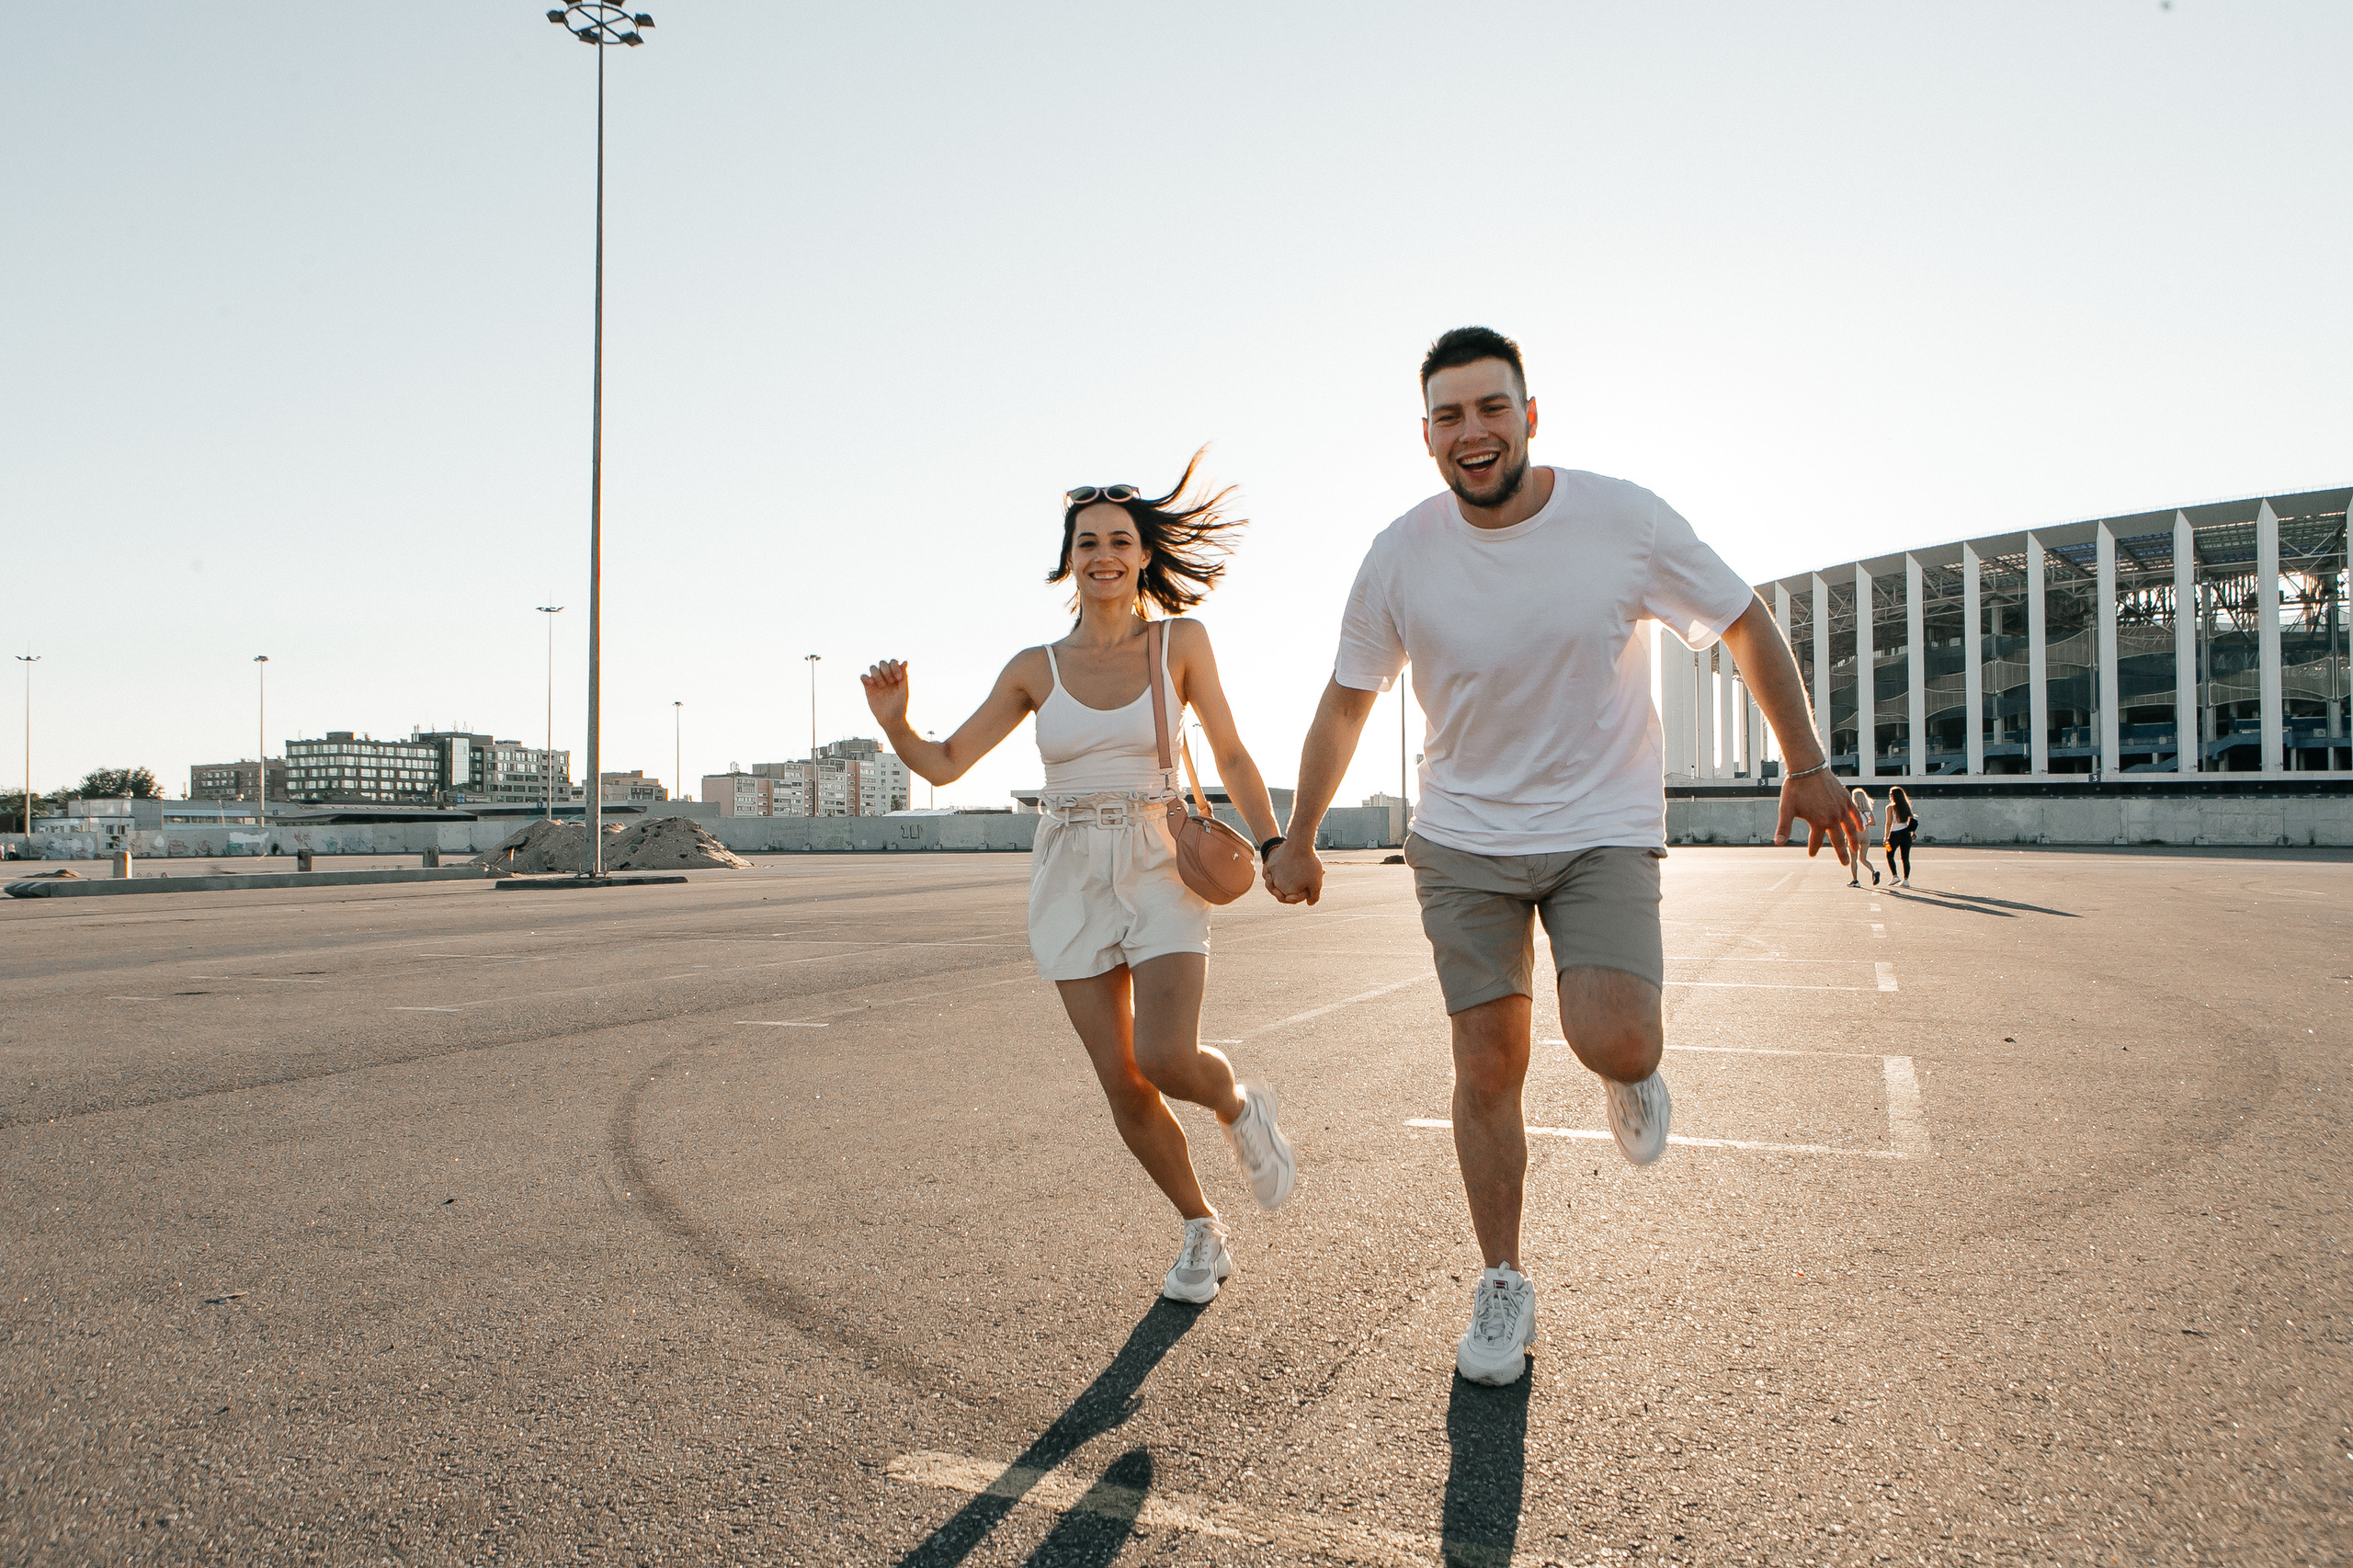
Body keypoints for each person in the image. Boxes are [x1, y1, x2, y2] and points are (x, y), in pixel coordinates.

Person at [1264, 327, 1864, 1386]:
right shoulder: (1400, 552)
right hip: (1462, 841)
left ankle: (1631, 1077)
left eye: (1491, 408)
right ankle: (1501, 1276)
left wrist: (1804, 761)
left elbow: (1742, 618)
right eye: (1449, 416)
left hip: (1600, 828)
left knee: (1617, 1038)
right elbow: (1346, 699)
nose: (1472, 432)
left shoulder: (1621, 520)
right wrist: (1301, 833)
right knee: (1486, 1067)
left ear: (1529, 415)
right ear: (1426, 436)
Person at [859, 452, 1296, 1306]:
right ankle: (1201, 1229)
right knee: (1122, 1080)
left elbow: (1234, 751)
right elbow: (947, 764)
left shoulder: (1182, 641)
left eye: (1119, 542)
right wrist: (897, 725)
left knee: (1166, 1055)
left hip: (1157, 855)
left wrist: (1277, 844)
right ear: (1070, 559)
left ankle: (1239, 1107)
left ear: (1142, 556)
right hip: (1066, 865)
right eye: (1087, 541)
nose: (1104, 554)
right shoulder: (1035, 667)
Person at [1884, 784, 1917, 887]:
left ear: (1894, 796)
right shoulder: (1906, 806)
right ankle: (1906, 879)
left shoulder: (1890, 807)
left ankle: (1895, 876)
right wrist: (1913, 833)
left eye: (1891, 794)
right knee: (1905, 858)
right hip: (1906, 834)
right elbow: (1911, 821)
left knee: (1889, 855)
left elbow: (1888, 823)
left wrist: (1886, 837)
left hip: (1894, 834)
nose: (1889, 795)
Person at [1847, 787, 1880, 888]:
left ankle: (1855, 880)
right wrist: (1865, 823)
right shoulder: (1868, 810)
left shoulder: (1852, 809)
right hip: (1866, 833)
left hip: (1855, 834)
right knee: (1863, 858)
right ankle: (1873, 872)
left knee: (1854, 859)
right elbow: (1873, 822)